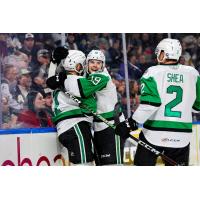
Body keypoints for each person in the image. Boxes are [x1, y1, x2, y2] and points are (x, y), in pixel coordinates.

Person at [115, 38, 200, 166]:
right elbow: (197, 108)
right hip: (182, 136)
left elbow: (150, 105)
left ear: (164, 54)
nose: (157, 55)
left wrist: (130, 123)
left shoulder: (152, 72)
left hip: (154, 135)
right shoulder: (193, 74)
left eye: (159, 52)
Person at [64, 50, 126, 165]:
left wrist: (64, 77)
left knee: (113, 165)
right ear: (86, 63)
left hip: (112, 126)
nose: (95, 65)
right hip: (99, 126)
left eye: (98, 63)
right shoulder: (89, 75)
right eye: (92, 62)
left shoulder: (102, 77)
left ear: (103, 65)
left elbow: (79, 90)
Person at [46, 49, 97, 166]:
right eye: (84, 64)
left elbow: (50, 83)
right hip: (76, 125)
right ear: (78, 66)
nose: (85, 67)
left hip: (65, 129)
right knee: (85, 165)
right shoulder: (77, 80)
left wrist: (53, 62)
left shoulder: (58, 81)